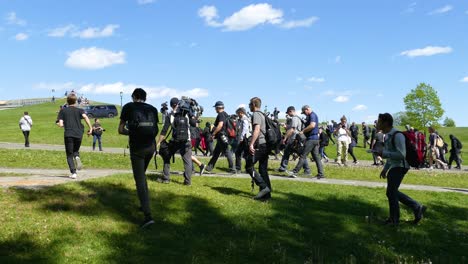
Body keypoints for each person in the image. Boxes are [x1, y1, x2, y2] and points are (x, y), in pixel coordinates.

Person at [374, 113, 426, 226]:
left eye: (379, 121)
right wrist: (385, 169)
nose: (377, 124)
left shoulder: (397, 135)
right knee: (391, 193)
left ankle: (395, 219)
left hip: (401, 166)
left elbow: (401, 154)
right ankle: (416, 207)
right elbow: (391, 155)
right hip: (394, 166)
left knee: (391, 193)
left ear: (386, 123)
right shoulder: (387, 135)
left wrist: (384, 153)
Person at [118, 88, 159, 228]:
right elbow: (156, 131)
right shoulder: (153, 109)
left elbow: (121, 129)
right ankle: (144, 204)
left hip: (137, 148)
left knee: (140, 180)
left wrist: (132, 133)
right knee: (142, 176)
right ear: (145, 98)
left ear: (134, 97)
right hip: (151, 147)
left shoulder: (128, 107)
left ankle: (148, 216)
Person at [156, 97, 193, 185]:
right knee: (187, 161)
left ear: (172, 105)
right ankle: (188, 181)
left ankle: (166, 178)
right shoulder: (186, 113)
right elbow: (194, 123)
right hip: (187, 141)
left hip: (175, 141)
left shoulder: (171, 115)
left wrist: (158, 143)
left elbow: (164, 131)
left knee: (166, 157)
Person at [57, 94, 93, 179]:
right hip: (79, 133)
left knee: (69, 154)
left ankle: (73, 173)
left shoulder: (63, 110)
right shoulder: (80, 110)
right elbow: (85, 117)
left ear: (67, 101)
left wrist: (61, 124)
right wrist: (90, 128)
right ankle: (77, 157)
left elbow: (61, 124)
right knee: (75, 150)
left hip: (69, 133)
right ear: (76, 101)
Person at [287, 105, 325, 179]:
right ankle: (321, 174)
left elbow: (312, 125)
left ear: (307, 109)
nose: (304, 114)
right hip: (315, 139)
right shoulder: (311, 116)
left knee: (303, 155)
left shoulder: (312, 115)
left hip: (311, 139)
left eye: (304, 112)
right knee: (316, 157)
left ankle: (295, 172)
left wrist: (303, 131)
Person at [245, 97, 272, 201]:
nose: (248, 106)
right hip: (266, 145)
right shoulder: (263, 114)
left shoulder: (256, 114)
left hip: (260, 144)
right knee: (263, 169)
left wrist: (251, 144)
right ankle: (267, 196)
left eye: (249, 104)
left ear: (253, 105)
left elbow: (256, 129)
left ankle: (264, 187)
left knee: (249, 166)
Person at [204, 101, 236, 174]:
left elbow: (220, 125)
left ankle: (232, 168)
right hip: (224, 136)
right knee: (216, 152)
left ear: (218, 107)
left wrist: (213, 133)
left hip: (222, 136)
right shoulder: (226, 114)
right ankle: (209, 167)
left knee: (227, 151)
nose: (215, 109)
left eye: (215, 108)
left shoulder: (221, 114)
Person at [278, 106, 309, 173]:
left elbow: (293, 129)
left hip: (294, 139)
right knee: (301, 155)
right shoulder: (298, 118)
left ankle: (283, 167)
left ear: (290, 111)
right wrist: (286, 127)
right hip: (297, 139)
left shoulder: (295, 118)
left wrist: (285, 138)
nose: (288, 114)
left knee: (287, 153)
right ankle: (307, 170)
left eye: (288, 112)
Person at [234, 107, 250, 172]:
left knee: (239, 153)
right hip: (244, 138)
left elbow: (245, 129)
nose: (237, 115)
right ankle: (246, 169)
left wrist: (241, 137)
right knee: (244, 154)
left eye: (238, 113)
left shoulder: (245, 119)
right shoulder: (242, 119)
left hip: (245, 138)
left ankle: (239, 168)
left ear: (241, 112)